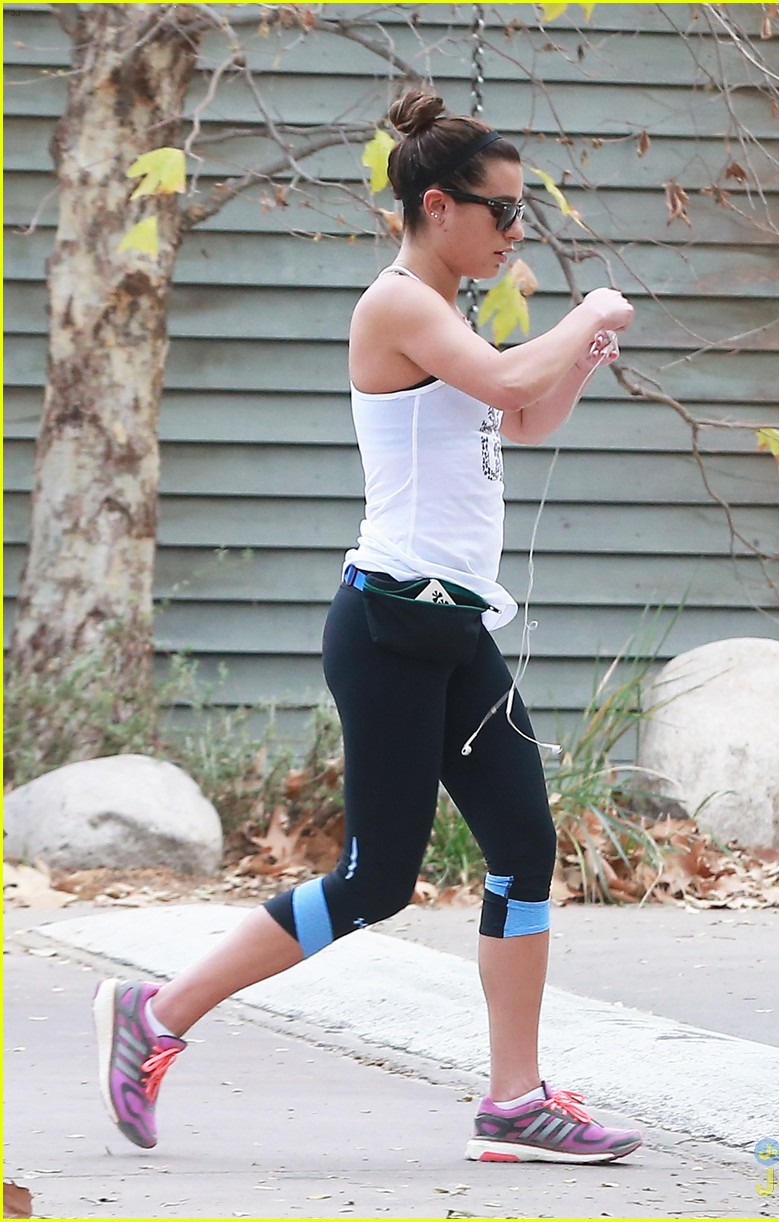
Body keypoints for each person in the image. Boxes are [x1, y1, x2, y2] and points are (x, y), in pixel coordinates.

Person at [93, 88, 641, 1165]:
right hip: (389, 624)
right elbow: (495, 377)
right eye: (503, 213)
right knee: (374, 880)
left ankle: (514, 1098)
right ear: (439, 207)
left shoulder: (456, 309)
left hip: (454, 629)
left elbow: (517, 415)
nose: (515, 232)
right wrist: (587, 314)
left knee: (523, 848)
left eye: (521, 215)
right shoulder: (397, 305)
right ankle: (156, 1014)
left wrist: (575, 357)